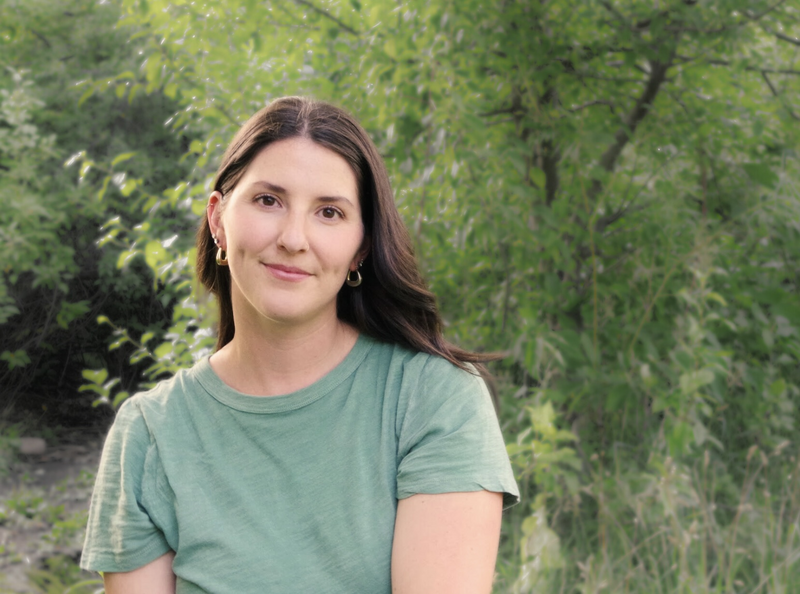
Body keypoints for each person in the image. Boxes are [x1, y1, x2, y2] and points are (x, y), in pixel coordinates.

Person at [80, 96, 519, 593]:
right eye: (269, 200)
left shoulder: (433, 400)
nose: (294, 237)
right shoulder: (149, 435)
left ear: (362, 246)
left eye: (329, 212)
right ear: (219, 219)